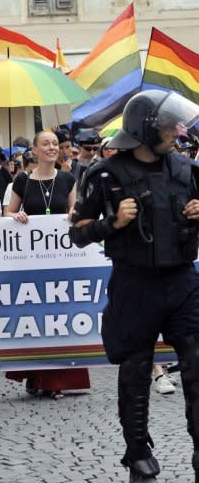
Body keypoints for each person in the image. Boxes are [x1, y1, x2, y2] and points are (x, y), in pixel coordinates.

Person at [69, 89, 199, 482]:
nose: (176, 133)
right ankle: (139, 454)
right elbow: (77, 232)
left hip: (182, 282)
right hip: (134, 283)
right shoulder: (106, 174)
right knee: (135, 369)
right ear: (146, 130)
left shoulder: (187, 169)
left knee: (197, 363)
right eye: (167, 127)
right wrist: (112, 224)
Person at [4, 131, 90, 398]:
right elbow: (7, 211)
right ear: (35, 150)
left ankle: (57, 382)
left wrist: (73, 215)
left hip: (59, 257)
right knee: (34, 315)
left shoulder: (67, 179)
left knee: (58, 315)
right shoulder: (23, 180)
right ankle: (35, 375)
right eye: (46, 144)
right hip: (29, 259)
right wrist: (15, 216)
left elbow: (74, 211)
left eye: (55, 144)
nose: (52, 147)